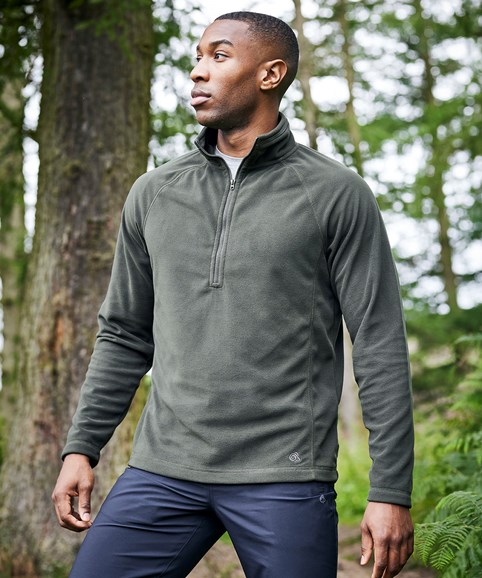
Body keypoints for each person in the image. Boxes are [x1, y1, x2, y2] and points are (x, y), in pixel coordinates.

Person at [52, 11, 414, 578]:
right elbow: (124, 334)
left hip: (284, 474)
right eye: (197, 57)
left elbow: (379, 341)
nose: (198, 71)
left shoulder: (336, 194)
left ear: (271, 74)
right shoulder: (154, 193)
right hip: (163, 469)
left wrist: (390, 489)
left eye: (218, 57)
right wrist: (82, 448)